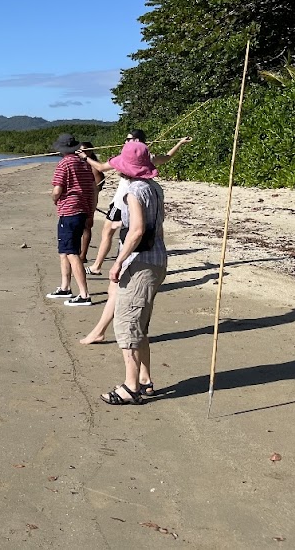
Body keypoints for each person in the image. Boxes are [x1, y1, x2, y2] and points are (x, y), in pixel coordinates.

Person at [77, 131, 190, 345]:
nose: (129, 142)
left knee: (118, 290)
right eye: (127, 140)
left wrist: (85, 157)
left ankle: (100, 329)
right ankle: (100, 330)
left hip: (136, 237)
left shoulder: (138, 187)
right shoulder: (152, 184)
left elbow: (138, 231)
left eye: (133, 140)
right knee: (110, 241)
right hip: (142, 237)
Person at [97, 140, 167, 404]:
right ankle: (145, 380)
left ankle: (131, 386)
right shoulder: (155, 188)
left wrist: (117, 262)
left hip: (141, 262)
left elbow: (137, 230)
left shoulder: (134, 192)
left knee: (128, 324)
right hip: (157, 259)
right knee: (141, 324)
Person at [46, 133, 98, 306]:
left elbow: (57, 189)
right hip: (81, 211)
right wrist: (90, 213)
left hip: (70, 212)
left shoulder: (64, 164)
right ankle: (65, 287)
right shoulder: (84, 164)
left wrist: (54, 199)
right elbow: (92, 190)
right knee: (64, 251)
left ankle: (84, 295)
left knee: (71, 253)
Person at [77, 142, 105, 265]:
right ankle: (77, 252)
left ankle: (83, 255)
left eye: (83, 151)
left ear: (90, 152)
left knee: (86, 227)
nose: (80, 153)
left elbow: (97, 188)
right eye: (79, 151)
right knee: (77, 227)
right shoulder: (79, 164)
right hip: (79, 200)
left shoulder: (94, 167)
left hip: (89, 200)